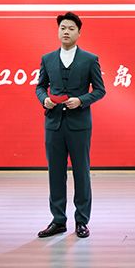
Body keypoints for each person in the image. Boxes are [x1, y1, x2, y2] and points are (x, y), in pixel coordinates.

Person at [35, 12, 105, 239]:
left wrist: (81, 101)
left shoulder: (90, 59)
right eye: (63, 28)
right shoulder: (47, 59)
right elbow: (40, 86)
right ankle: (58, 220)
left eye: (71, 28)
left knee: (81, 173)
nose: (66, 32)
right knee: (55, 173)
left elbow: (100, 90)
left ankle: (82, 221)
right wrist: (44, 99)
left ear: (79, 32)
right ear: (58, 31)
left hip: (79, 125)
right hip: (53, 124)